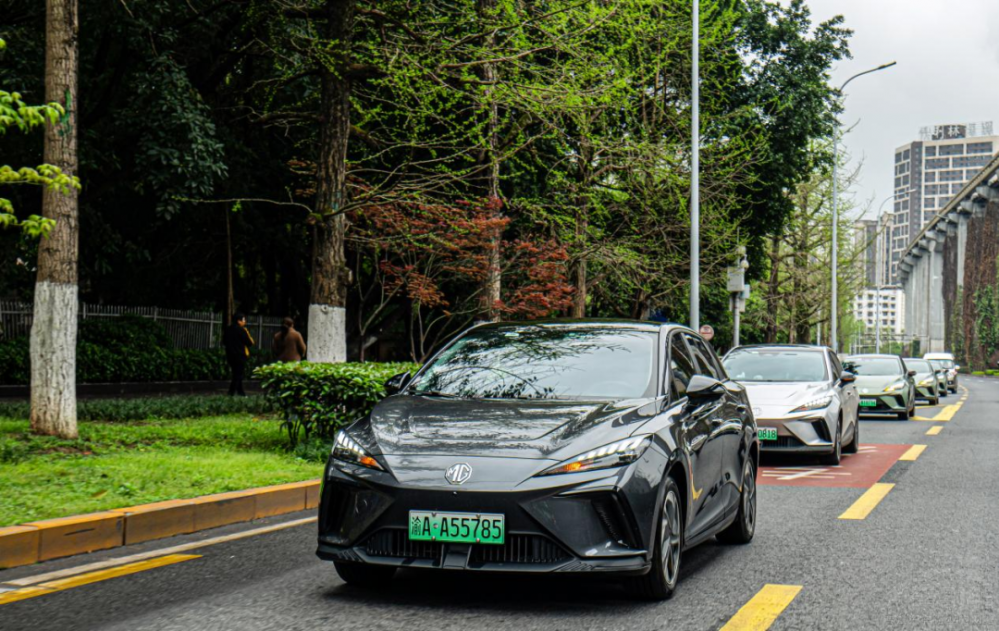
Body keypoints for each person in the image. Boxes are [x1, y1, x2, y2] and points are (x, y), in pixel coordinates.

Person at [223, 312, 254, 396]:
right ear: (238, 321)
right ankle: (231, 392)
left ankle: (241, 392)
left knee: (236, 373)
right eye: (243, 320)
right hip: (240, 355)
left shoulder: (228, 329)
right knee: (238, 375)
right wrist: (247, 332)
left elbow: (224, 342)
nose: (245, 322)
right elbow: (250, 343)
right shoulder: (242, 330)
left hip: (230, 355)